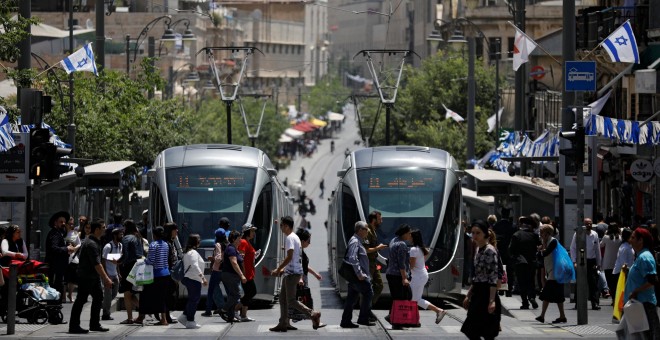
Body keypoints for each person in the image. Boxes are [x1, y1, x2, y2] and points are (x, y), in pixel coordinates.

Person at [269, 216, 323, 332]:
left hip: (292, 274)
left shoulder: (289, 238)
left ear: (287, 226)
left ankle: (312, 313)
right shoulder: (295, 238)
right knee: (283, 300)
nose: (281, 228)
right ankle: (283, 323)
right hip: (292, 273)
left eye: (282, 225)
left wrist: (278, 269)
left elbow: (289, 257)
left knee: (291, 300)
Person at [68, 219, 113, 334]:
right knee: (81, 300)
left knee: (98, 297)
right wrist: (106, 279)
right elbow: (97, 264)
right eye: (103, 227)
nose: (105, 229)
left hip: (93, 277)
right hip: (86, 277)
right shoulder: (91, 244)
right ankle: (74, 326)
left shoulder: (95, 241)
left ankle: (94, 324)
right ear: (97, 229)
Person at [461, 220, 501, 340]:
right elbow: (477, 276)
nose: (474, 236)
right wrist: (469, 295)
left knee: (486, 332)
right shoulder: (479, 249)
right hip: (478, 291)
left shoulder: (490, 250)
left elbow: (493, 276)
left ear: (485, 234)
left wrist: (492, 300)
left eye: (478, 233)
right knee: (471, 329)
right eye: (472, 233)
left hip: (487, 292)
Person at [622, 228, 660, 339]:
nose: (630, 240)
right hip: (638, 305)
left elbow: (652, 280)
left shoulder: (645, 257)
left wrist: (635, 291)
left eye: (633, 238)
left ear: (641, 240)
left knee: (647, 336)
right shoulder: (640, 256)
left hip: (644, 304)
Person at [340, 221, 374, 328]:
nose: (368, 231)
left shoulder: (358, 240)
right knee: (368, 292)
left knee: (351, 298)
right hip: (357, 276)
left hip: (355, 276)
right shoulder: (355, 241)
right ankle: (363, 318)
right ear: (360, 230)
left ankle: (345, 321)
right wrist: (359, 273)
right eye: (366, 229)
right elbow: (352, 258)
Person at [409, 229, 447, 324]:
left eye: (410, 236)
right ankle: (415, 320)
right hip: (422, 275)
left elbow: (412, 266)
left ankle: (438, 311)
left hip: (417, 277)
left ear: (413, 237)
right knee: (415, 299)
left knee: (415, 299)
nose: (409, 238)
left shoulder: (413, 250)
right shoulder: (422, 249)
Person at [136, 226, 171, 325]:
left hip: (155, 275)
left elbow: (150, 261)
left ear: (154, 235)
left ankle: (141, 317)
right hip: (166, 274)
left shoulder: (153, 245)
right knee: (162, 297)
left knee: (144, 295)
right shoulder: (166, 245)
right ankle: (163, 319)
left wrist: (144, 259)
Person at [535, 224, 567, 324]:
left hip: (556, 271)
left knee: (547, 294)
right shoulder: (546, 241)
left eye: (542, 232)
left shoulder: (553, 241)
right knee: (558, 296)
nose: (540, 234)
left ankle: (542, 316)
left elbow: (546, 253)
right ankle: (562, 316)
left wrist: (540, 250)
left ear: (547, 233)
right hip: (552, 271)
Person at [569, 218, 602, 310]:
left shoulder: (594, 234)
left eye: (590, 224)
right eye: (587, 224)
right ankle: (578, 303)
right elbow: (573, 248)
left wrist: (599, 263)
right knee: (580, 282)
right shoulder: (578, 234)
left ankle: (594, 303)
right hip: (581, 260)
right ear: (583, 224)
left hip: (591, 261)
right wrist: (574, 261)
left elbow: (597, 249)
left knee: (593, 283)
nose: (589, 225)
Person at [291, 228, 322, 323]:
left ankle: (289, 321)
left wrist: (315, 274)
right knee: (305, 301)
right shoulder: (298, 251)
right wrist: (300, 279)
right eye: (308, 241)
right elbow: (298, 266)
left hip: (302, 279)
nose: (309, 243)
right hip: (300, 280)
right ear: (302, 241)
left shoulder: (300, 250)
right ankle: (314, 319)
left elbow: (305, 266)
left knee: (298, 301)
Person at [384, 224, 412, 329]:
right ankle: (396, 321)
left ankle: (393, 317)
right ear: (404, 233)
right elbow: (401, 263)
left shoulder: (393, 240)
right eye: (409, 233)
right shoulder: (402, 245)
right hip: (397, 275)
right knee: (404, 296)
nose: (410, 235)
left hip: (390, 273)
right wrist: (404, 277)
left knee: (397, 297)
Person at [509, 216, 540, 309]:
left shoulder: (516, 235)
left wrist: (513, 258)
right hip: (531, 262)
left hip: (520, 262)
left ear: (521, 225)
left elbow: (511, 249)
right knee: (530, 281)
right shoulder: (534, 235)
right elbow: (538, 247)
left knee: (521, 282)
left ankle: (525, 302)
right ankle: (532, 297)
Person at [46, 211, 75, 307]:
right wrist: (66, 249)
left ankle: (55, 309)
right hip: (54, 268)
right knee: (55, 288)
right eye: (60, 222)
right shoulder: (54, 233)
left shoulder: (59, 233)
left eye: (64, 222)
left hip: (59, 268)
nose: (63, 224)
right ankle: (53, 310)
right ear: (55, 223)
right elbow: (54, 248)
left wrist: (67, 248)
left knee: (58, 288)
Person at [178, 234, 208, 329]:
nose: (200, 241)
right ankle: (190, 321)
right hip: (193, 279)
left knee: (193, 299)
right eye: (198, 240)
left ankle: (185, 316)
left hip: (190, 278)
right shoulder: (193, 253)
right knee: (194, 300)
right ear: (195, 242)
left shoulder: (188, 252)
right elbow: (195, 266)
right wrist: (203, 278)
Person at [118, 220, 144, 324]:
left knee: (127, 293)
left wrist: (118, 262)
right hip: (139, 266)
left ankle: (129, 318)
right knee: (134, 292)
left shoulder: (126, 238)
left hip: (128, 267)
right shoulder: (138, 238)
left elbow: (125, 254)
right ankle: (142, 310)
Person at [219, 230, 246, 324]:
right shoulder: (231, 249)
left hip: (231, 275)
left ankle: (230, 316)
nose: (240, 241)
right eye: (239, 239)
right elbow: (234, 263)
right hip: (230, 275)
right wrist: (242, 275)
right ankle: (223, 310)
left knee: (232, 295)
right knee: (237, 294)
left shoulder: (234, 249)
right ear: (234, 239)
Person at [364, 211, 387, 311]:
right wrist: (378, 248)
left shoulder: (373, 230)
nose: (381, 221)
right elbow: (366, 250)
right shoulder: (368, 231)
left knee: (379, 285)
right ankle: (365, 310)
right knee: (367, 288)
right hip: (368, 263)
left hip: (373, 262)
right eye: (379, 219)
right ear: (374, 220)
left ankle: (368, 306)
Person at [237, 223, 260, 322]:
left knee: (249, 293)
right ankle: (233, 309)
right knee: (252, 292)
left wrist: (255, 255)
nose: (254, 233)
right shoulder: (243, 242)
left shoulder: (247, 242)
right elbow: (241, 258)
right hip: (245, 273)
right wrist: (242, 274)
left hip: (249, 273)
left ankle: (243, 315)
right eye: (252, 231)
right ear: (247, 232)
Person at [202, 227, 227, 317]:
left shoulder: (218, 244)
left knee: (211, 290)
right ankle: (228, 307)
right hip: (225, 270)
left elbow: (218, 258)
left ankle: (208, 310)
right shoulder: (228, 244)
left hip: (217, 270)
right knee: (228, 289)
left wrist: (212, 258)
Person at [492, 209, 515, 296]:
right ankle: (509, 290)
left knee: (500, 270)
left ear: (501, 215)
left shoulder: (496, 226)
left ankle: (501, 288)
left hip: (499, 251)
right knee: (510, 271)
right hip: (509, 252)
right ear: (509, 215)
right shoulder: (512, 226)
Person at [101, 228, 123, 321]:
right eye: (120, 234)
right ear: (115, 235)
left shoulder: (120, 245)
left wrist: (118, 272)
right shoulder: (108, 246)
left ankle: (102, 304)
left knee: (113, 294)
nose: (122, 236)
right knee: (108, 295)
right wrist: (106, 275)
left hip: (115, 274)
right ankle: (106, 314)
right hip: (108, 274)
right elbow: (103, 260)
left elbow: (117, 260)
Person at [600, 222, 622, 306]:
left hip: (608, 263)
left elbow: (601, 245)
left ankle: (613, 298)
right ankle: (617, 298)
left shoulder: (606, 237)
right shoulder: (620, 238)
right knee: (616, 282)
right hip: (617, 263)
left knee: (610, 283)